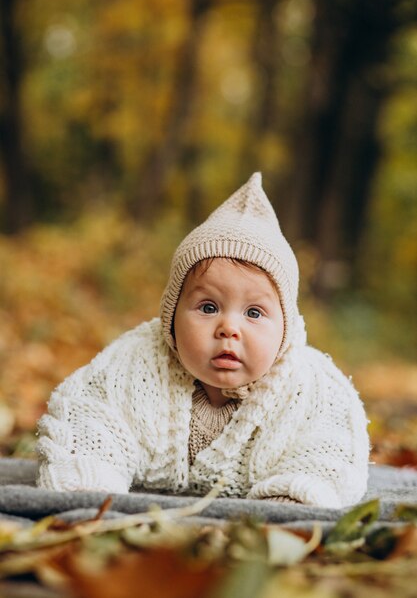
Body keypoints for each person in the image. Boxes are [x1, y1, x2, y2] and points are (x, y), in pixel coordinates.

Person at [37, 172, 369, 507]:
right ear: (171, 317)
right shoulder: (134, 364)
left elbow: (331, 449)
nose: (229, 328)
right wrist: (90, 476)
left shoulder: (312, 388)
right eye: (208, 307)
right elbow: (90, 416)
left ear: (286, 330)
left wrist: (298, 492)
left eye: (254, 313)